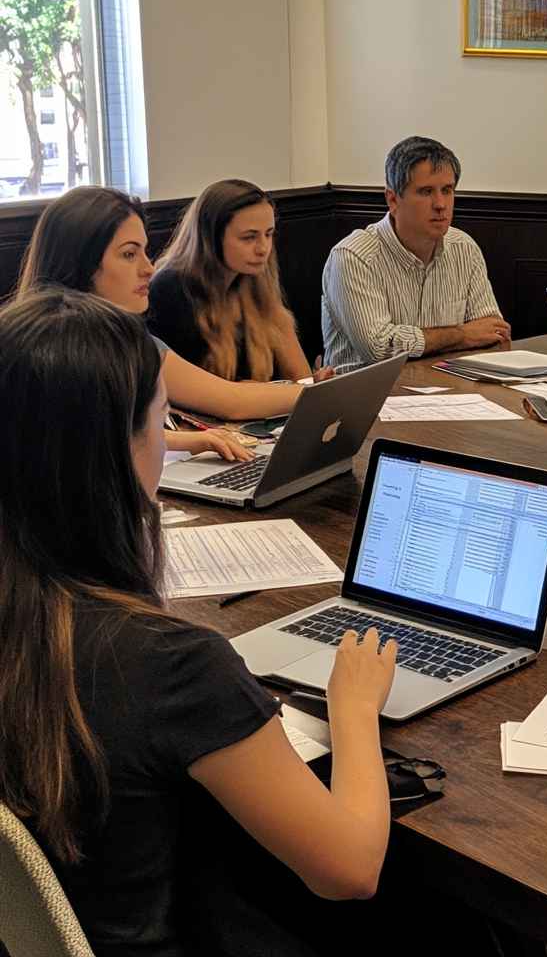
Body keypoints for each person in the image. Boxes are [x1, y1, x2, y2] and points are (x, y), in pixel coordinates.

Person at [0, 289, 397, 955]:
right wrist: (353, 709)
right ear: (117, 453)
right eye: (160, 423)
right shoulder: (168, 665)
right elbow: (350, 869)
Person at [16, 186, 306, 436]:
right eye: (129, 254)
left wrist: (195, 441)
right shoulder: (157, 308)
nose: (148, 268)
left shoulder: (128, 339)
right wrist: (320, 396)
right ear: (81, 261)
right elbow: (231, 400)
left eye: (144, 251)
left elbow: (125, 441)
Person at [321, 135, 511, 372]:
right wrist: (461, 334)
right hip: (366, 401)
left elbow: (493, 332)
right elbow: (379, 348)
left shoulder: (464, 248)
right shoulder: (353, 257)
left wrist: (453, 338)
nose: (440, 204)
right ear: (392, 199)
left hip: (451, 394)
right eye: (426, 191)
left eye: (447, 190)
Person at [149, 179, 331, 382]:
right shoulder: (171, 289)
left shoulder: (255, 278)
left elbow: (300, 377)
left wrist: (316, 384)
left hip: (265, 410)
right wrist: (286, 392)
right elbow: (199, 397)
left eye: (268, 234)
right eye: (249, 237)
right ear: (210, 238)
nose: (263, 248)